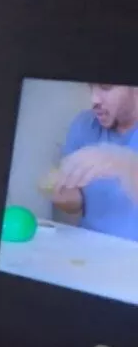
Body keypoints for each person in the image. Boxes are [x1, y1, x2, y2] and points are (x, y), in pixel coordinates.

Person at [51, 83, 138, 238]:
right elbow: (76, 204)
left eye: (106, 87)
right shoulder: (83, 124)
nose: (94, 99)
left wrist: (123, 163)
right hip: (89, 246)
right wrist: (62, 194)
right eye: (91, 87)